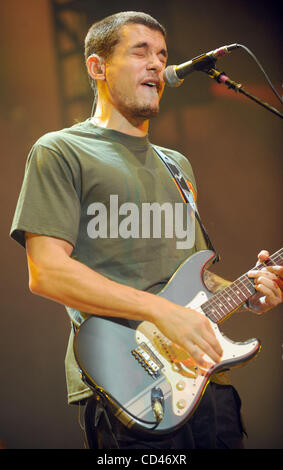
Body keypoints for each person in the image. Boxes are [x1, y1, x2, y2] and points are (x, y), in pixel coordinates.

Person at [10, 11, 282, 449]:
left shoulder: (178, 165)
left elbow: (193, 277)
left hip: (207, 382)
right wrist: (160, 312)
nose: (157, 64)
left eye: (162, 54)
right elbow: (47, 273)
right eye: (141, 52)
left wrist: (249, 290)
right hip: (129, 386)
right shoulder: (60, 150)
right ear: (97, 67)